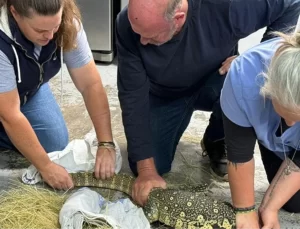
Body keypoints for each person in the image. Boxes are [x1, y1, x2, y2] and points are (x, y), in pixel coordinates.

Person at [115, 0, 300, 206]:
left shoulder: (228, 6)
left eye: (151, 36)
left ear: (178, 19)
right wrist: (147, 170)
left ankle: (217, 138)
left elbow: (290, 3)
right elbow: (132, 95)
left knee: (294, 201)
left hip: (218, 80)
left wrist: (260, 62)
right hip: (164, 94)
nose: (142, 41)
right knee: (148, 166)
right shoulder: (129, 25)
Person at [0, 0, 116, 190]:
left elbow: (90, 84)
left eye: (55, 26)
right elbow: (10, 114)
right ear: (15, 13)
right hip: (7, 101)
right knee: (26, 139)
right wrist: (45, 167)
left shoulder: (67, 24)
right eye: (40, 30)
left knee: (54, 142)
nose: (51, 35)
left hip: (27, 91)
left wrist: (106, 143)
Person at [220, 28, 300, 228]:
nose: (290, 125)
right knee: (293, 202)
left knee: (292, 202)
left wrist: (270, 208)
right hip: (264, 126)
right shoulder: (244, 76)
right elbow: (239, 153)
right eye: (285, 114)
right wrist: (245, 211)